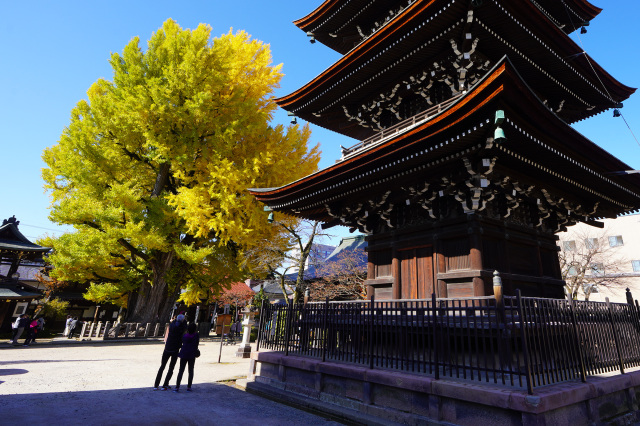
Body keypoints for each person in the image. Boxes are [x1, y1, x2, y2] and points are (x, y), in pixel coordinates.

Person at [154, 314, 186, 391]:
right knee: (171, 367)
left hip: (167, 348)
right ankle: (165, 384)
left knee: (162, 366)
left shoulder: (172, 326)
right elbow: (185, 327)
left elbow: (175, 322)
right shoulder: (181, 328)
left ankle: (156, 384)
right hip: (175, 349)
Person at [174, 322, 199, 392]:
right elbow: (197, 344)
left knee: (181, 370)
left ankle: (177, 386)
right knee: (190, 370)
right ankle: (189, 386)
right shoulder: (196, 335)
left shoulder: (185, 336)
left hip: (184, 353)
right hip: (191, 354)